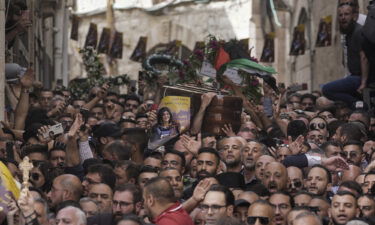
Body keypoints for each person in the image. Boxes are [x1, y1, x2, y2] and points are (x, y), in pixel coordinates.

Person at [322, 4, 369, 108]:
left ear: (353, 16)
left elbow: (364, 57)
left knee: (327, 89)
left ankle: (358, 105)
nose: (343, 17)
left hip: (359, 78)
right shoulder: (348, 33)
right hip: (354, 76)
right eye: (340, 15)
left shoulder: (358, 31)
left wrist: (363, 82)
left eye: (346, 14)